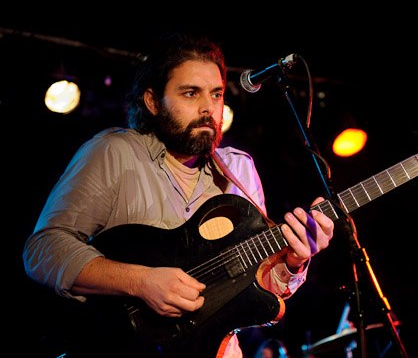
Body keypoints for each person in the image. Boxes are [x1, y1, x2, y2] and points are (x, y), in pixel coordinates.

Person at [23, 33, 334, 357]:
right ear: (153, 102)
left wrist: (294, 261)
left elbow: (255, 289)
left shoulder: (239, 170)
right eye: (190, 93)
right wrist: (140, 281)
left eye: (215, 94)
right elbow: (44, 249)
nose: (207, 108)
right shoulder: (114, 153)